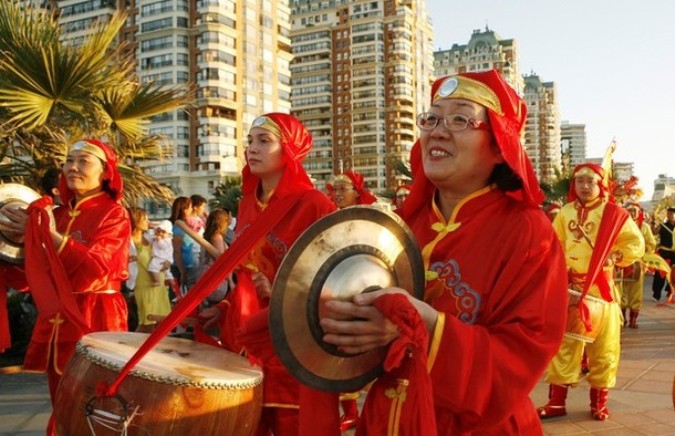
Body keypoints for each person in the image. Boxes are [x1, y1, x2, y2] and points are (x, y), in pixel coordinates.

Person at [319, 70, 569, 434]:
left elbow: (522, 356)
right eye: (431, 118)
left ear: (500, 146)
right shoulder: (400, 226)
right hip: (388, 418)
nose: (437, 130)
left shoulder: (529, 231)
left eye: (460, 119)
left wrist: (427, 325)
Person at [200, 113, 337, 435]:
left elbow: (332, 279)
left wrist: (281, 289)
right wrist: (223, 308)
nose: (252, 148)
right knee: (246, 424)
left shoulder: (314, 204)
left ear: (290, 149)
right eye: (249, 141)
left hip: (290, 342)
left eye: (264, 140)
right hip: (245, 335)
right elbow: (248, 275)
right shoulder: (247, 203)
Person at [0, 138, 131, 403]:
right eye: (69, 161)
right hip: (57, 317)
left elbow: (98, 266)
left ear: (106, 173)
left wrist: (45, 235)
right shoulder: (54, 215)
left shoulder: (114, 214)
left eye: (83, 161)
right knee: (61, 403)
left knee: (96, 403)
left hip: (98, 317)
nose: (73, 167)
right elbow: (33, 278)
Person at [537, 163, 644, 421]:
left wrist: (616, 255)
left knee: (604, 348)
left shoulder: (615, 214)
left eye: (590, 182)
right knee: (564, 346)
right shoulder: (565, 213)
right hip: (571, 289)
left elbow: (636, 243)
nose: (585, 186)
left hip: (601, 291)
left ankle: (599, 403)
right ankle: (556, 403)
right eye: (580, 181)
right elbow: (553, 246)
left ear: (601, 185)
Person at [128, 208, 172, 333]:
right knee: (146, 322)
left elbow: (164, 252)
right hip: (144, 286)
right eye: (144, 219)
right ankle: (130, 349)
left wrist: (167, 265)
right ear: (135, 221)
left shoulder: (150, 238)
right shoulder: (128, 242)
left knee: (159, 323)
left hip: (158, 286)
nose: (148, 221)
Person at [616, 201, 655, 327]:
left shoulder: (644, 227)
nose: (632, 213)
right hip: (621, 263)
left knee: (636, 292)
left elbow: (651, 243)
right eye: (629, 210)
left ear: (639, 212)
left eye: (634, 210)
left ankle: (633, 320)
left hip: (637, 263)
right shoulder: (619, 225)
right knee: (620, 291)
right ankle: (622, 320)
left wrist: (644, 254)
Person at [196, 208, 234, 306]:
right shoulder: (217, 237)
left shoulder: (209, 236)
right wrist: (231, 281)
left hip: (208, 277)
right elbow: (221, 262)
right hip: (217, 281)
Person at [169, 196, 197, 294]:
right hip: (181, 269)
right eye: (190, 207)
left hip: (187, 267)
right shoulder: (178, 227)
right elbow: (176, 251)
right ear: (184, 210)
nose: (192, 209)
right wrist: (182, 272)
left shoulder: (183, 225)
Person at [652, 206, 675, 301]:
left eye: (673, 214)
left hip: (674, 253)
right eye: (670, 214)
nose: (671, 215)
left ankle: (671, 292)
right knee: (660, 273)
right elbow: (654, 232)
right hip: (664, 252)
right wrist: (653, 222)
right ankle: (656, 294)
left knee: (674, 274)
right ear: (667, 215)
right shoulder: (663, 225)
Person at [147, 219, 175, 287]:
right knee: (168, 273)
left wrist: (159, 240)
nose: (161, 234)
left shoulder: (167, 240)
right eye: (159, 232)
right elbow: (151, 240)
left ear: (169, 234)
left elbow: (162, 246)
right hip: (163, 258)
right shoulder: (158, 238)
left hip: (161, 258)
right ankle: (172, 283)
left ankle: (157, 281)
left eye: (163, 232)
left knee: (152, 268)